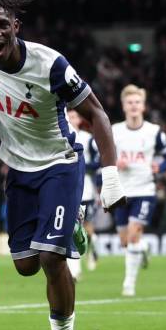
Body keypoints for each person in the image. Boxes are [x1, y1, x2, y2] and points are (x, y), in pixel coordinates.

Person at [0, 0, 127, 330]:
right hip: (18, 170)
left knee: (52, 258)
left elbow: (97, 112)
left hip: (59, 163)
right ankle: (71, 228)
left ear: (16, 26)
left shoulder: (50, 64)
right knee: (25, 265)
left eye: (2, 24)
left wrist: (110, 175)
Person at [110, 84, 166, 296]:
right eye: (130, 102)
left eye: (137, 102)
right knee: (125, 240)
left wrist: (160, 167)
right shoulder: (115, 131)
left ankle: (129, 284)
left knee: (134, 232)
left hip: (145, 189)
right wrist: (114, 162)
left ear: (143, 106)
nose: (134, 106)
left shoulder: (153, 131)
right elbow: (104, 155)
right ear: (124, 106)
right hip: (121, 191)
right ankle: (143, 248)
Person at [66, 109, 100, 279]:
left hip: (86, 190)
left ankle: (92, 250)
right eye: (69, 116)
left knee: (87, 229)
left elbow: (98, 162)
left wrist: (82, 165)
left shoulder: (87, 139)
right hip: (69, 190)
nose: (71, 119)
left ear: (79, 120)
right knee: (72, 228)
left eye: (74, 116)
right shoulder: (61, 137)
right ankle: (75, 269)